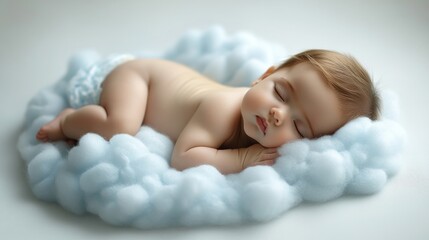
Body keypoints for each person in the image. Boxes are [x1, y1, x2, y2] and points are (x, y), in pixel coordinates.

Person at [36, 49, 380, 174]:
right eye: (280, 92)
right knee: (121, 125)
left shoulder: (261, 127)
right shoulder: (223, 107)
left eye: (300, 128)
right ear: (265, 76)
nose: (278, 114)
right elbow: (183, 157)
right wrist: (241, 159)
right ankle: (69, 119)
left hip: (159, 81)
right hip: (139, 77)